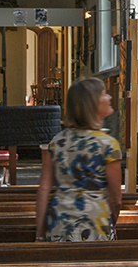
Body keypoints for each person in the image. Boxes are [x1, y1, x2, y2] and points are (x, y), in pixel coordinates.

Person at [35, 77, 122, 241]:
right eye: (104, 94)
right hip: (95, 224)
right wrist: (110, 225)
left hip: (59, 223)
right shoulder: (108, 145)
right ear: (92, 104)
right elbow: (116, 199)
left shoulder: (58, 141)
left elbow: (43, 190)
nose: (110, 97)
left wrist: (39, 235)